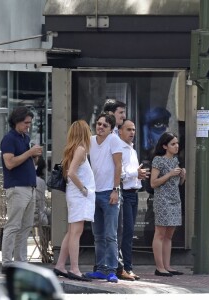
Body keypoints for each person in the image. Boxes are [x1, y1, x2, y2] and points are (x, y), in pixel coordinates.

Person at [0, 106, 43, 272]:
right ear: (16, 121)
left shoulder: (24, 138)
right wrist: (29, 152)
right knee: (13, 225)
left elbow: (27, 163)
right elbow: (9, 163)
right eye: (25, 123)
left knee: (25, 227)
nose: (28, 126)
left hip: (29, 187)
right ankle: (7, 262)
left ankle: (21, 261)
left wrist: (34, 156)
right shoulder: (9, 139)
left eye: (30, 123)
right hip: (17, 188)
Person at [53, 120, 95, 282]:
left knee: (72, 232)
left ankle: (60, 265)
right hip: (79, 196)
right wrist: (83, 188)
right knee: (76, 233)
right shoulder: (81, 150)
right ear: (84, 133)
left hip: (74, 195)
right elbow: (71, 173)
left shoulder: (73, 150)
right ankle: (75, 269)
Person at [85, 113, 122, 283]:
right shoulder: (91, 140)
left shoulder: (113, 140)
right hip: (94, 193)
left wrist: (115, 189)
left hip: (109, 192)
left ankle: (112, 270)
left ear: (111, 129)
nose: (100, 127)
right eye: (98, 124)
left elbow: (118, 165)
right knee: (98, 235)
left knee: (110, 235)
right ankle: (100, 269)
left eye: (104, 125)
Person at [103, 98, 136, 280]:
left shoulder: (118, 135)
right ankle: (113, 267)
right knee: (113, 230)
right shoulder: (110, 135)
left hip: (118, 186)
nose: (124, 116)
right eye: (120, 113)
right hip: (111, 187)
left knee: (119, 229)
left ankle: (117, 266)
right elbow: (116, 165)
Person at [150, 132, 186, 277]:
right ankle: (159, 267)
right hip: (162, 199)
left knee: (169, 235)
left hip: (175, 199)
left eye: (177, 143)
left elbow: (178, 184)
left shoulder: (176, 160)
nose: (176, 146)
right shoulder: (158, 160)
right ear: (165, 146)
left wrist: (182, 176)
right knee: (160, 233)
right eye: (173, 144)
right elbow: (153, 183)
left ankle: (167, 266)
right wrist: (170, 174)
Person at [119, 119, 150, 280]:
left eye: (133, 129)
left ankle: (127, 267)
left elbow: (131, 173)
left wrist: (139, 176)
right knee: (125, 231)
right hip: (123, 193)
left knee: (129, 232)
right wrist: (135, 174)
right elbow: (120, 174)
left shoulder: (132, 150)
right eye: (129, 129)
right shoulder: (120, 149)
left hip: (133, 193)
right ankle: (125, 267)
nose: (132, 132)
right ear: (120, 131)